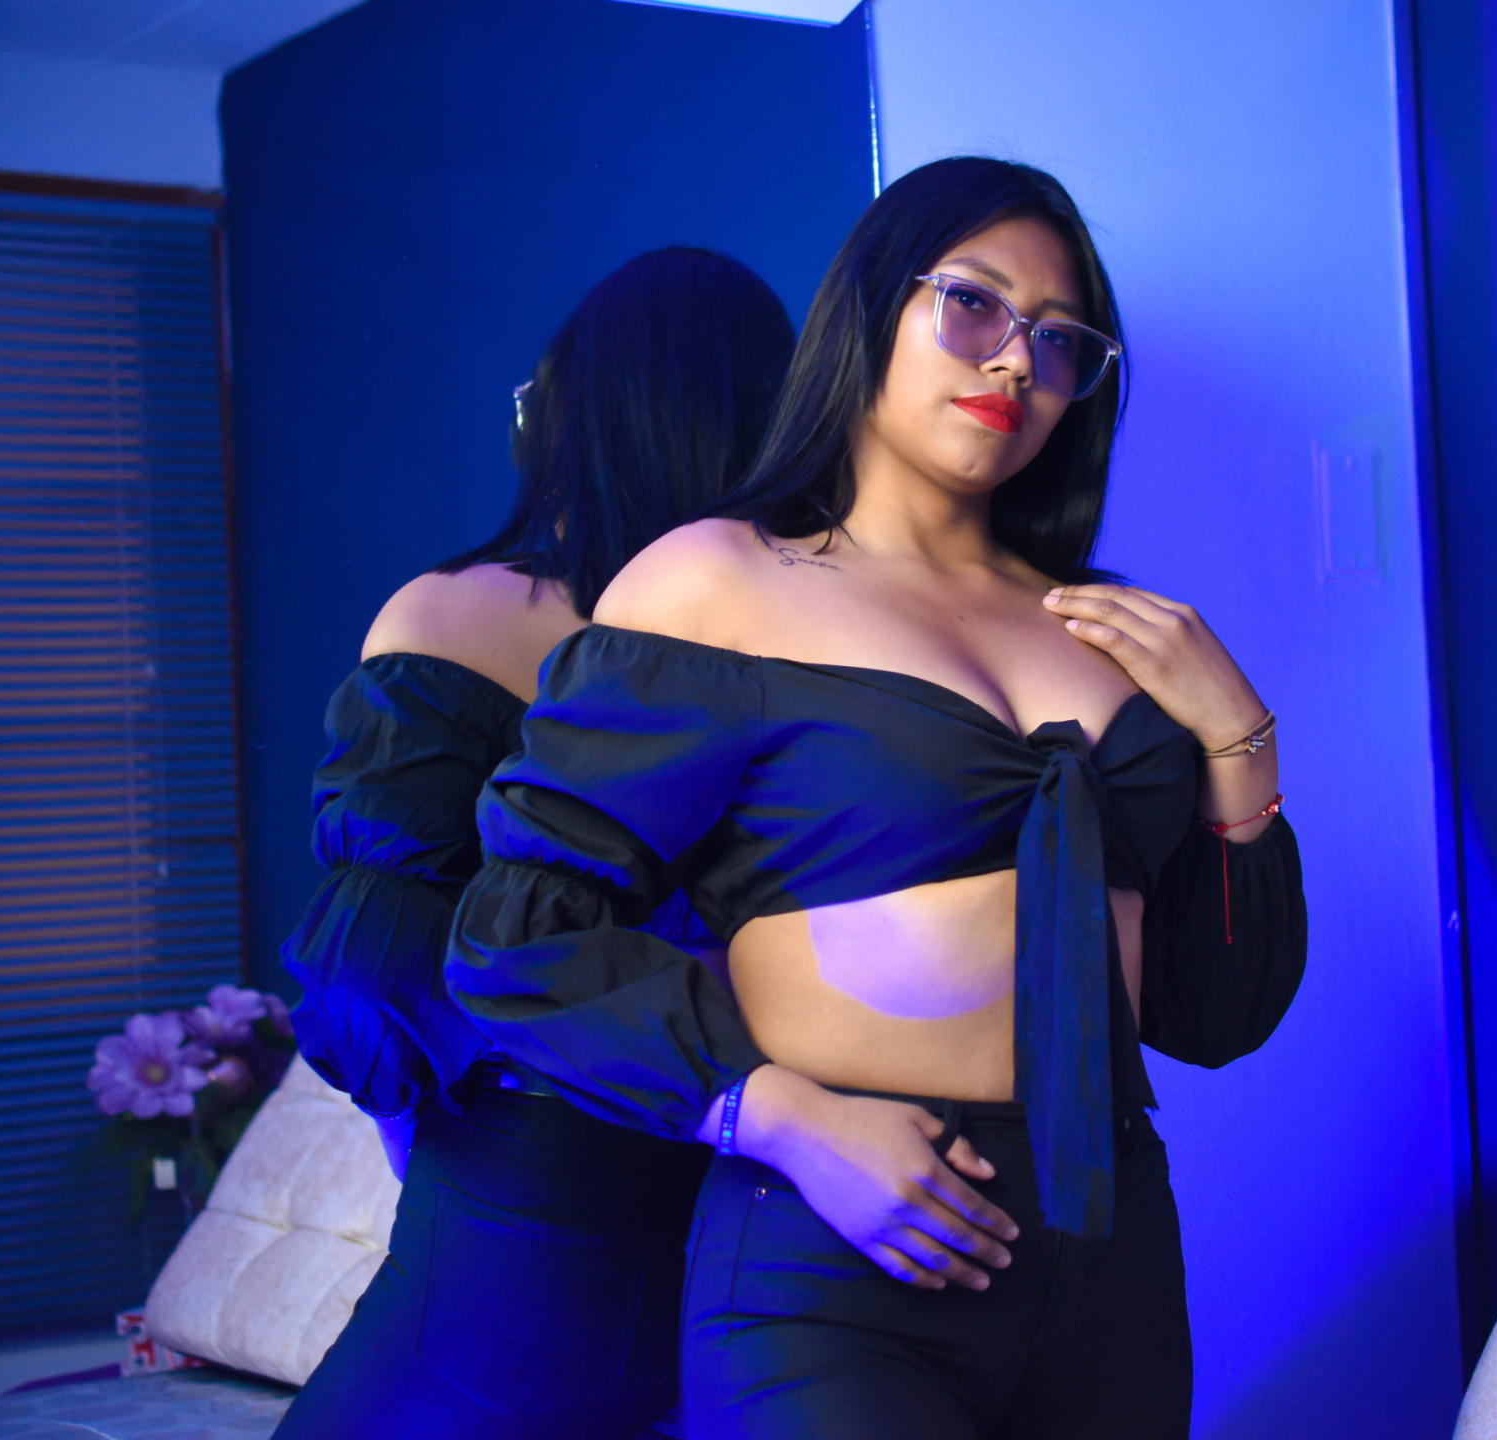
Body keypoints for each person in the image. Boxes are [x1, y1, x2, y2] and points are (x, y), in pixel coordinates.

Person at [448, 158, 1307, 1440]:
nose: (1015, 360)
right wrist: (784, 1120)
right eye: (974, 303)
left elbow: (1214, 1011)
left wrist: (1237, 740)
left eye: (1059, 340)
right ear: (867, 309)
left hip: (1110, 1252)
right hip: (840, 1252)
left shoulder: (1112, 628)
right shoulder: (717, 582)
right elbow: (522, 934)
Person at [273, 246, 795, 1439]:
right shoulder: (823, 643)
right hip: (777, 1228)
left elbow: (372, 975)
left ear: (583, 413)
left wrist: (430, 1154)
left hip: (530, 1218)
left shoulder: (461, 615)